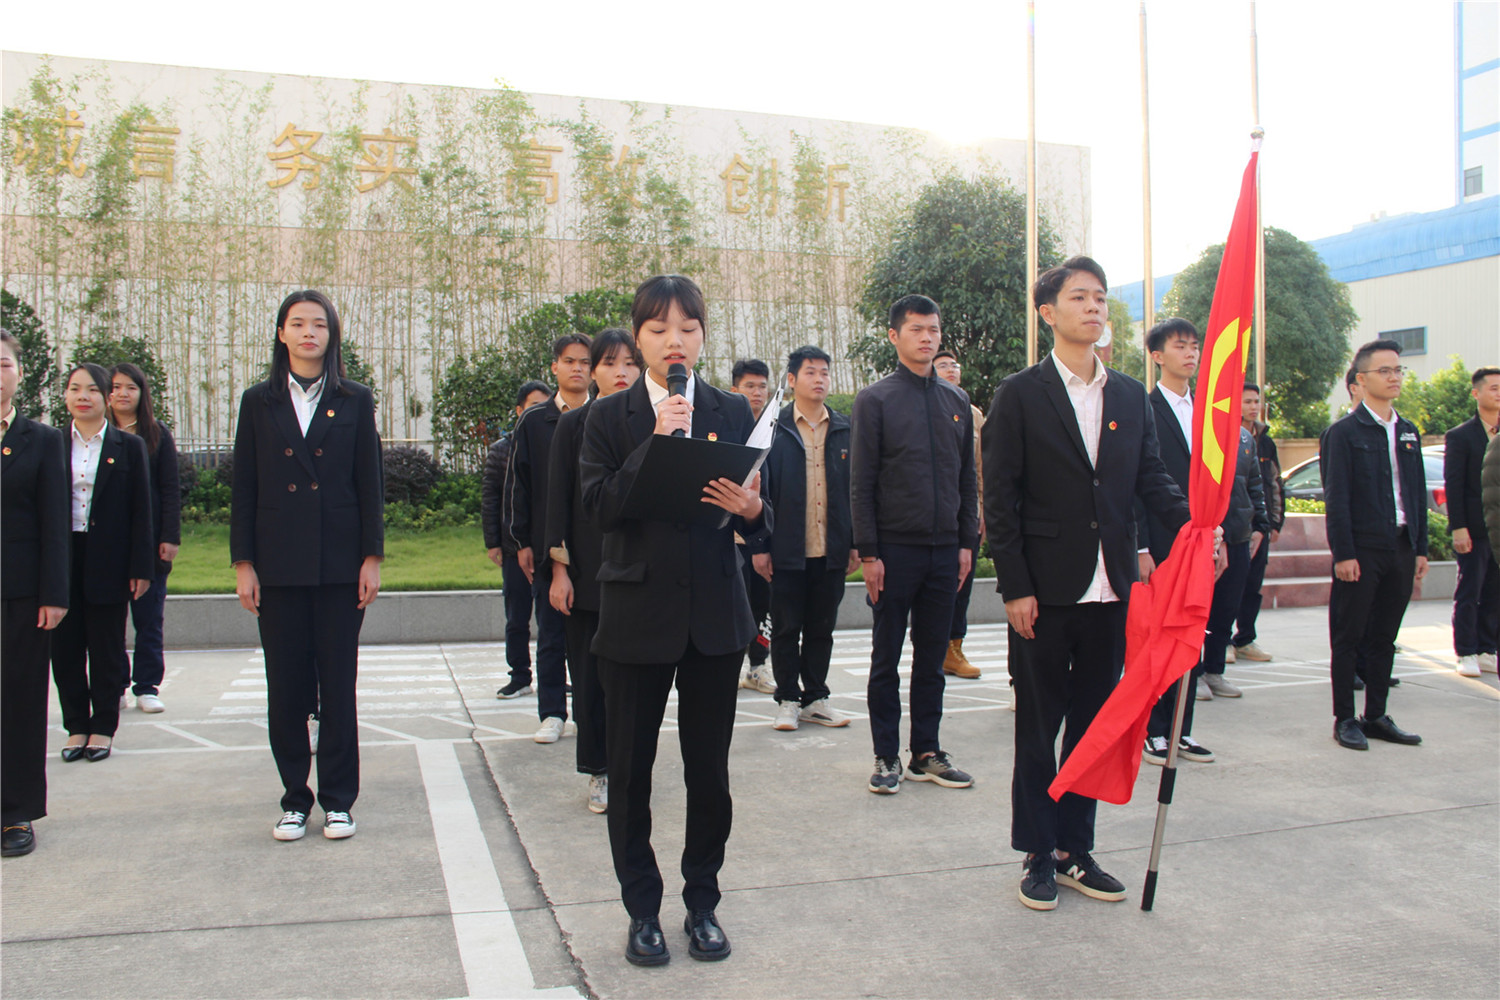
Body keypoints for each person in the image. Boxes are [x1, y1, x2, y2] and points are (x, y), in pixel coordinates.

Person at [983, 256, 1189, 911]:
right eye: (1079, 297)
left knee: (1095, 729)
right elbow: (1001, 499)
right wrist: (1015, 587)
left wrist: (1195, 525)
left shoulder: (1127, 395)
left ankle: (1076, 849)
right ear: (1049, 313)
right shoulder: (1021, 393)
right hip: (1044, 592)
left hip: (1112, 591)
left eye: (1100, 297)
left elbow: (1150, 477)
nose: (1094, 307)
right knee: (1038, 730)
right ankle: (1037, 852)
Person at [579, 274, 771, 967]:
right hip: (636, 618)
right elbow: (600, 509)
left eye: (687, 328)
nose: (674, 341)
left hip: (714, 616)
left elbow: (760, 512)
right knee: (631, 774)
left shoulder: (731, 408)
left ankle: (702, 903)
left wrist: (753, 511)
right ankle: (642, 911)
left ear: (702, 335)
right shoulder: (610, 416)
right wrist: (653, 444)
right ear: (639, 337)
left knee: (708, 774)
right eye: (659, 329)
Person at [231, 289, 384, 840]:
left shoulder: (354, 398)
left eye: (318, 324)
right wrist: (244, 563)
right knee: (287, 688)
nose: (308, 333)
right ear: (282, 334)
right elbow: (245, 486)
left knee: (338, 686)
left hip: (340, 564)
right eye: (297, 324)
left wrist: (371, 557)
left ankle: (339, 800)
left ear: (331, 334)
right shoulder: (258, 401)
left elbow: (369, 482)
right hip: (278, 565)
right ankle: (295, 798)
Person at [851, 294, 978, 795]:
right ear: (894, 336)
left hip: (945, 552)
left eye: (933, 329)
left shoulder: (956, 402)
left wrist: (966, 542)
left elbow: (966, 479)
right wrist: (869, 553)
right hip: (893, 552)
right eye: (916, 329)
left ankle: (926, 751)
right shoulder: (876, 400)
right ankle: (886, 755)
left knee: (931, 659)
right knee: (886, 658)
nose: (927, 338)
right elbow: (861, 483)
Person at [545, 328, 641, 814]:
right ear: (594, 371)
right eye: (609, 363)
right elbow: (557, 503)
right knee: (588, 679)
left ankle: (629, 769)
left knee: (633, 685)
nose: (620, 372)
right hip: (587, 575)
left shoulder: (654, 422)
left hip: (639, 576)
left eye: (629, 363)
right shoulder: (574, 425)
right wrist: (560, 572)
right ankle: (598, 770)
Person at [1320, 339, 1427, 751]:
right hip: (1361, 550)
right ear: (1361, 380)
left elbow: (1415, 493)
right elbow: (1337, 498)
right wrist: (1343, 553)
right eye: (1385, 371)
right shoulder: (1343, 433)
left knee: (1385, 636)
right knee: (1348, 636)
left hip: (1400, 546)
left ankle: (1377, 715)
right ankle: (1345, 718)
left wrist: (1419, 547)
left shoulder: (1408, 431)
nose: (1394, 377)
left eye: (1398, 370)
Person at [51, 363, 155, 765]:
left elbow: (140, 511)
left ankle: (103, 726)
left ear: (106, 397)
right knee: (65, 647)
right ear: (65, 396)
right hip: (61, 556)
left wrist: (140, 567)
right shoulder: (51, 443)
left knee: (107, 647)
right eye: (75, 389)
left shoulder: (127, 446)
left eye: (92, 390)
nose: (83, 396)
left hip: (109, 558)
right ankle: (76, 724)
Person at [751, 345, 856, 732]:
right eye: (811, 372)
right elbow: (761, 492)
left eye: (825, 372)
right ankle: (787, 700)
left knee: (821, 629)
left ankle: (815, 697)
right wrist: (761, 547)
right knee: (785, 628)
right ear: (792, 380)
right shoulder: (774, 428)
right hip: (786, 550)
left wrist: (855, 543)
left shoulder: (845, 428)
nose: (819, 379)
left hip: (831, 548)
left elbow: (855, 490)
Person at [1133, 319, 1217, 761]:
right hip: (1162, 541)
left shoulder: (1209, 411)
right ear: (1157, 356)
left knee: (1192, 633)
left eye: (1194, 346)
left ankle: (1182, 728)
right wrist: (1142, 546)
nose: (1190, 354)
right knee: (1157, 637)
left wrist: (1218, 537)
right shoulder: (1143, 408)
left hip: (1200, 541)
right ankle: (1154, 729)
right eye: (1180, 346)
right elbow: (1136, 482)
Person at [1, 330, 69, 858]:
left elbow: (54, 522)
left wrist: (54, 593)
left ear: (19, 373)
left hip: (20, 593)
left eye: (2, 363)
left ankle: (15, 812)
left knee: (19, 702)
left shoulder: (41, 440)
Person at [505, 336, 592, 743]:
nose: (577, 369)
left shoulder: (603, 415)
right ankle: (553, 712)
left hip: (594, 547)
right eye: (569, 361)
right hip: (547, 546)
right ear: (555, 366)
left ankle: (591, 713)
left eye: (585, 362)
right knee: (552, 635)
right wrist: (520, 541)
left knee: (591, 641)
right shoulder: (534, 421)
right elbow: (517, 485)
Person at [108, 362, 180, 714]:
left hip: (150, 542)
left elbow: (169, 488)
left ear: (142, 393)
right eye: (115, 387)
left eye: (131, 387)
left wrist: (170, 536)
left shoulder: (157, 434)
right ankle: (116, 684)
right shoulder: (99, 432)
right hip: (107, 543)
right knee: (109, 620)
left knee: (149, 618)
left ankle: (147, 686)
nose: (122, 393)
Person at [484, 380, 550, 699]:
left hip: (548, 546)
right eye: (533, 406)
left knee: (552, 619)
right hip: (514, 547)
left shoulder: (554, 441)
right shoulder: (501, 449)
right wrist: (493, 542)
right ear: (519, 410)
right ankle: (520, 676)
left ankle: (554, 675)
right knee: (517, 617)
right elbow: (491, 499)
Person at [1445, 367, 1500, 676]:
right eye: (1494, 388)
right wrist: (1459, 527)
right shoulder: (1461, 436)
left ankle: (1487, 648)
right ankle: (1466, 651)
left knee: (1495, 592)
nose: (1499, 393)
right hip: (1475, 529)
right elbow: (1454, 485)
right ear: (1476, 393)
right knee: (1470, 592)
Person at [933, 349, 984, 680]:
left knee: (962, 585)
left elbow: (980, 466)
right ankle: (933, 647)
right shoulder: (924, 405)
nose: (951, 369)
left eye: (954, 365)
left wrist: (982, 508)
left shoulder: (972, 413)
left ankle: (954, 648)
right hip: (932, 515)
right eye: (943, 365)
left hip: (967, 512)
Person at [729, 358, 775, 694]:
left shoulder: (775, 431)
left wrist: (764, 543)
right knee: (733, 607)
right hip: (731, 540)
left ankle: (758, 666)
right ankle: (730, 666)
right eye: (749, 386)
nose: (757, 393)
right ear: (735, 389)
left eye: (762, 386)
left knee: (763, 607)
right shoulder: (727, 429)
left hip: (765, 535)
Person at [1232, 381, 1284, 663]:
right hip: (1234, 524)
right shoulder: (1226, 436)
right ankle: (1221, 641)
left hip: (1259, 524)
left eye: (1256, 401)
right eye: (1247, 401)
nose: (1254, 407)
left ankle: (1245, 639)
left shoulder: (1265, 441)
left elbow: (1274, 483)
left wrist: (1273, 523)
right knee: (1229, 586)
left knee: (1253, 584)